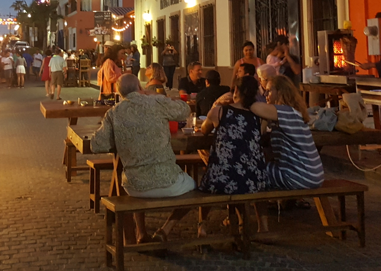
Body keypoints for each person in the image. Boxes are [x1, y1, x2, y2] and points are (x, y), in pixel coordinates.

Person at [91, 74, 196, 243]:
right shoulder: (155, 103)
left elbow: (97, 145)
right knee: (195, 188)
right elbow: (184, 110)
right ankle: (165, 230)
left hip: (135, 186)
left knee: (135, 176)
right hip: (169, 182)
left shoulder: (114, 112)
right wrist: (156, 96)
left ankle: (141, 232)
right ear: (140, 86)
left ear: (119, 92)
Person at [249, 75, 324, 232]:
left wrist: (235, 98)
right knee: (260, 165)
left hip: (299, 175)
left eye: (269, 91)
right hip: (312, 173)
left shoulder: (285, 111)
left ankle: (258, 226)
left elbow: (256, 108)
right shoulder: (293, 113)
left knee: (250, 173)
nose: (265, 95)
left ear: (280, 92)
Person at [197, 75, 267, 237]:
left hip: (223, 178)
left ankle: (202, 225)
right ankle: (256, 225)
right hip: (253, 180)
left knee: (208, 176)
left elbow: (204, 130)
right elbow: (260, 134)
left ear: (235, 90)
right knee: (243, 171)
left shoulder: (219, 111)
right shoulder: (259, 116)